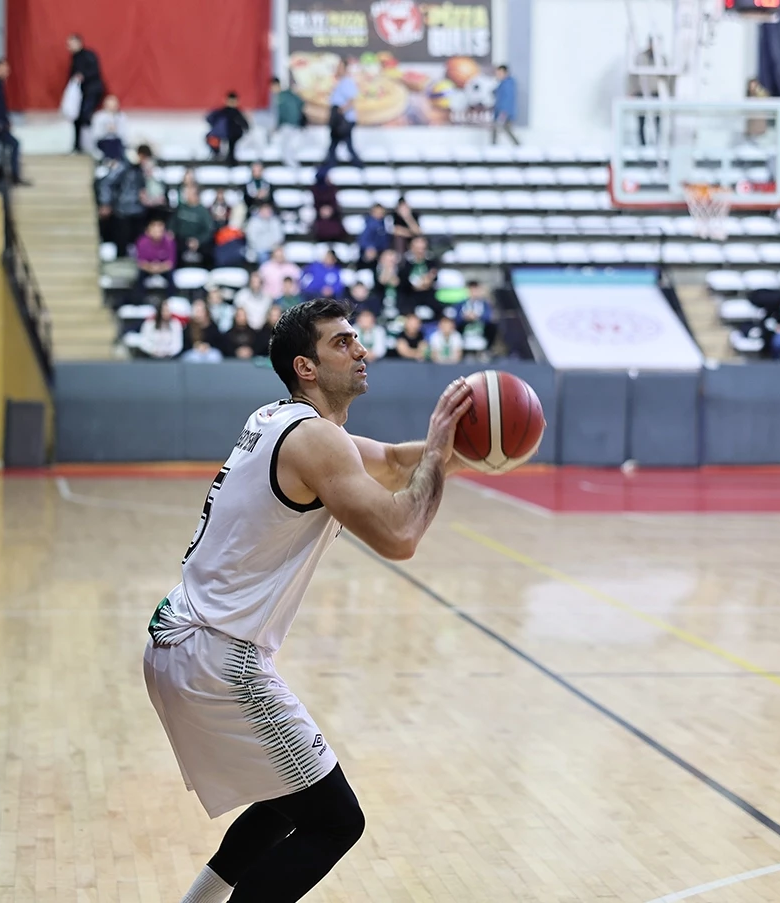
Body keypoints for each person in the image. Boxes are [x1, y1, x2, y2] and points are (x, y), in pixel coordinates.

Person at [143, 298, 474, 903]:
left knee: (284, 801)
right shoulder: (315, 440)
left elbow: (393, 464)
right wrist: (437, 457)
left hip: (183, 637)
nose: (361, 349)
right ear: (307, 366)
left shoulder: (282, 419)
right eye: (342, 342)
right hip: (218, 658)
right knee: (336, 821)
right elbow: (400, 535)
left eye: (356, 338)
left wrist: (454, 450)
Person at [67, 33, 105, 155]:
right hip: (81, 93)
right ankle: (77, 146)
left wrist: (83, 76)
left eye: (71, 44)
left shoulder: (88, 55)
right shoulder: (74, 58)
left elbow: (94, 71)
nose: (69, 47)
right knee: (78, 119)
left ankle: (92, 144)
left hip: (92, 91)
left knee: (85, 117)